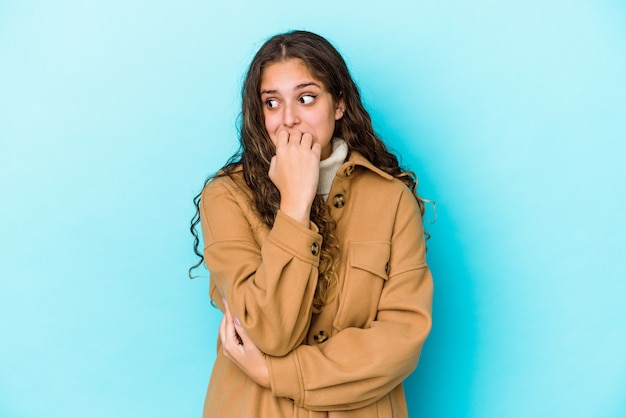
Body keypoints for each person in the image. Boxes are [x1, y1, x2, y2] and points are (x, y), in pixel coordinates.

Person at [190, 30, 433, 417]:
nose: (288, 119)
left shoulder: (391, 200)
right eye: (272, 103)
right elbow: (269, 331)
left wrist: (277, 374)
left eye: (306, 98)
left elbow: (400, 341)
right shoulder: (226, 197)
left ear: (339, 104)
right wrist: (295, 203)